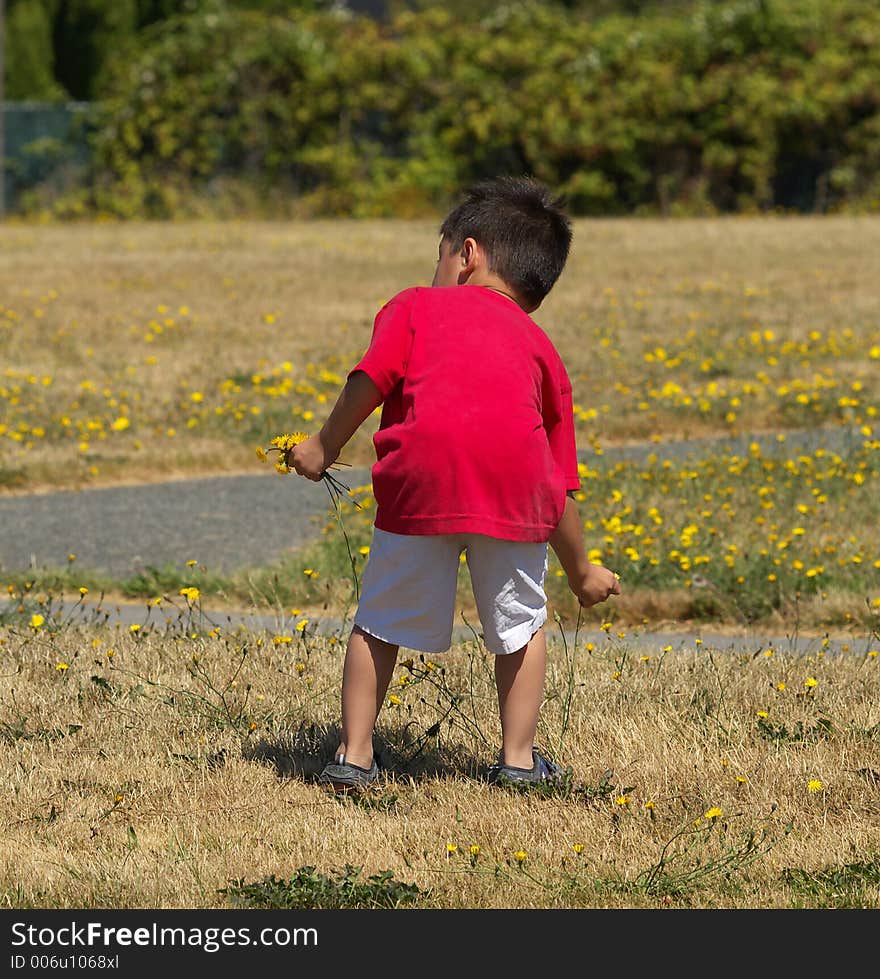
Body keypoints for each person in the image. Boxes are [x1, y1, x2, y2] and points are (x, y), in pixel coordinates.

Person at [290, 175, 621, 792]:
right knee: (520, 624)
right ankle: (518, 761)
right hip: (515, 489)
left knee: (382, 620)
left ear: (467, 254)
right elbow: (556, 484)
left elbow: (371, 378)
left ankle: (354, 754)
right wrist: (581, 572)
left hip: (421, 481)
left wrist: (324, 444)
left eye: (439, 255)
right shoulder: (541, 346)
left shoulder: (415, 305)